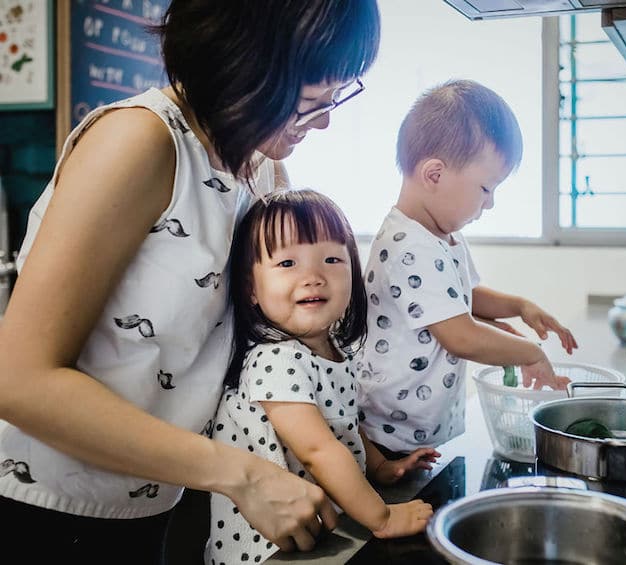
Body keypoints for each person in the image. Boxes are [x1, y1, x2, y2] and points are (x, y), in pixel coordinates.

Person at [0, 1, 380, 563]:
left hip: (162, 496)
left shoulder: (261, 168)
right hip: (49, 510)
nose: (323, 121)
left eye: (336, 98)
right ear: (246, 60)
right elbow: (17, 379)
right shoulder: (141, 142)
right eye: (312, 99)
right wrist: (244, 477)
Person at [207, 189, 436, 564]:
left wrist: (380, 467)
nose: (313, 277)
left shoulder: (331, 349)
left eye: (331, 259)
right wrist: (382, 517)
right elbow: (318, 451)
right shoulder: (274, 360)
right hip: (264, 551)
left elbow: (340, 425)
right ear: (251, 288)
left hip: (318, 534)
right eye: (287, 264)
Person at [357, 80, 579, 456]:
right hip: (390, 433)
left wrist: (520, 306)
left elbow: (464, 295)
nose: (489, 204)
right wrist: (528, 351)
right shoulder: (410, 246)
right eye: (486, 188)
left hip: (419, 427)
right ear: (434, 175)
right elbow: (461, 335)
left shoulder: (442, 237)